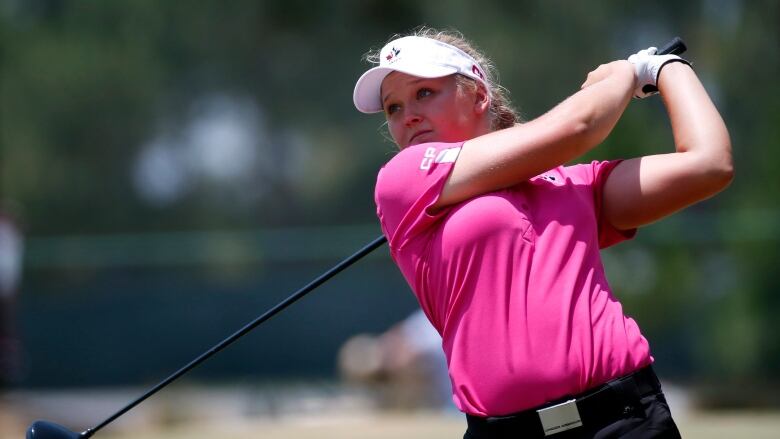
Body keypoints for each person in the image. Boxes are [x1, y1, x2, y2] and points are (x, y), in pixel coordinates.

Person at [352, 27, 732, 439]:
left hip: (625, 419)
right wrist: (627, 71)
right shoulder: (402, 181)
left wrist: (664, 68)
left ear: (478, 95)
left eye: (424, 93)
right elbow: (579, 126)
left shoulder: (574, 184)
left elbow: (708, 164)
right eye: (393, 107)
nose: (407, 115)